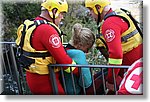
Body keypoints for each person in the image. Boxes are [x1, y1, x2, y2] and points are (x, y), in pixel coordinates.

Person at [16, 0, 78, 95]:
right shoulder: (47, 30)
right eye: (61, 13)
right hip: (46, 81)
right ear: (54, 11)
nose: (62, 17)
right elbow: (64, 61)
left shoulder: (33, 24)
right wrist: (80, 71)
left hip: (33, 77)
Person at [84, 0, 143, 94]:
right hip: (136, 65)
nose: (90, 14)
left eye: (91, 10)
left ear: (98, 8)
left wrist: (111, 81)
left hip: (131, 69)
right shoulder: (120, 13)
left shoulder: (109, 24)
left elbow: (116, 55)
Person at [64, 23, 95, 94]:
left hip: (64, 89)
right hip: (76, 92)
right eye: (87, 48)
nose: (87, 51)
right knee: (106, 73)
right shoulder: (78, 54)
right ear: (80, 44)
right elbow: (86, 83)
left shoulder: (64, 51)